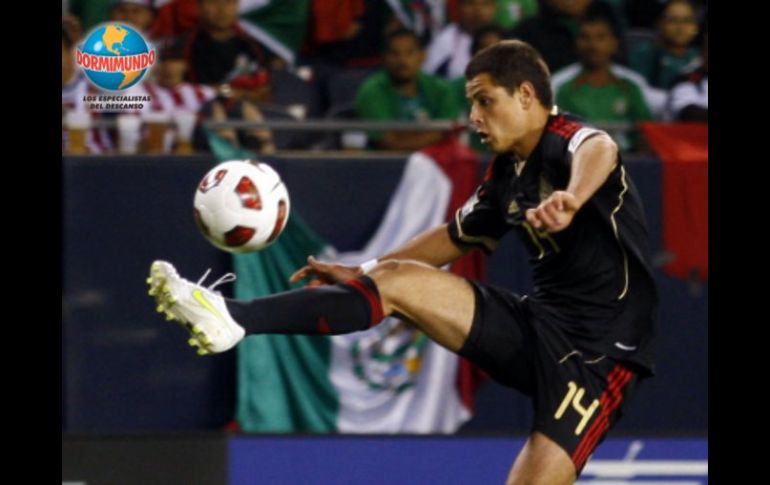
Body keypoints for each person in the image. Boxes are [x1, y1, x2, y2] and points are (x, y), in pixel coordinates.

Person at [148, 39, 657, 484]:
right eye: (471, 104)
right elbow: (453, 237)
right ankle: (232, 317)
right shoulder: (507, 174)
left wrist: (571, 197)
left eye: (485, 101)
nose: (474, 117)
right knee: (394, 282)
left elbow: (602, 147)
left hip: (600, 354)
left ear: (526, 95)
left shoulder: (568, 139)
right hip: (539, 326)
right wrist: (367, 268)